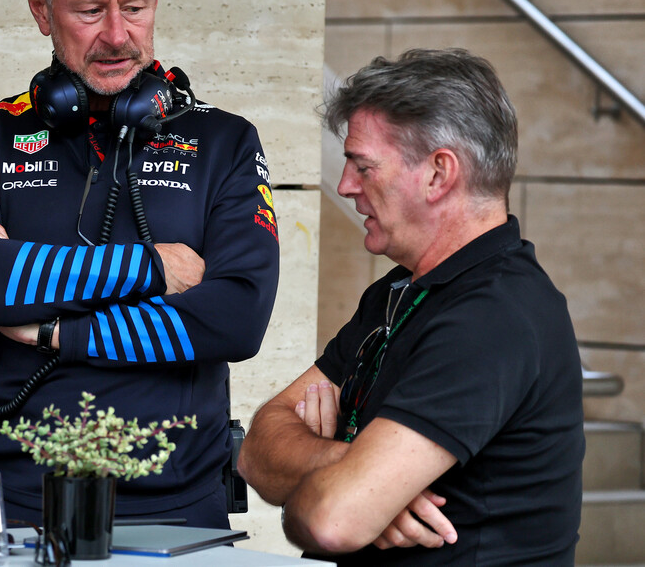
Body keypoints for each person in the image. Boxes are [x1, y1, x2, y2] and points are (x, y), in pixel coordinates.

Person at [0, 0, 280, 529]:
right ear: (40, 8)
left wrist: (51, 330)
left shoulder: (225, 142)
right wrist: (152, 267)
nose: (117, 35)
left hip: (179, 505)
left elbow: (236, 317)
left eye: (135, 7)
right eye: (89, 10)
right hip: (15, 501)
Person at [238, 48, 584, 563]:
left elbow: (331, 520)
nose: (345, 186)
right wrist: (349, 466)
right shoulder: (401, 292)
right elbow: (256, 449)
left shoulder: (493, 315)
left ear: (439, 174)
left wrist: (327, 490)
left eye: (363, 166)